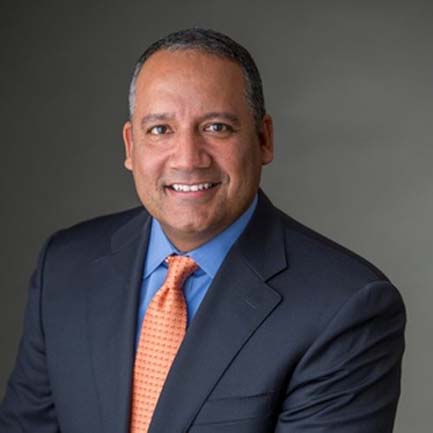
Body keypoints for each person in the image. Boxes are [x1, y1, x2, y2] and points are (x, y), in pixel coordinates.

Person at [0, 28, 405, 433]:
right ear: (130, 146)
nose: (188, 159)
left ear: (264, 140)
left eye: (216, 127)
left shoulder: (345, 306)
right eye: (160, 129)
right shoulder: (64, 267)